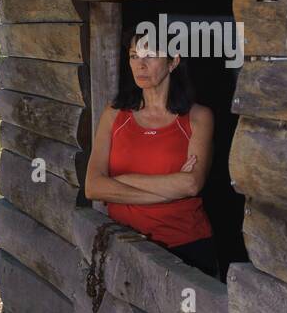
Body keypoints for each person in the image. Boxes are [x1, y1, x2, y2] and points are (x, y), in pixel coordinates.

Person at [84, 25, 216, 278]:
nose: (139, 65)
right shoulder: (114, 115)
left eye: (150, 55)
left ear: (173, 61)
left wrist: (120, 183)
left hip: (187, 247)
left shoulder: (198, 117)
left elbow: (191, 185)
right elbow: (93, 187)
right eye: (134, 56)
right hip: (125, 244)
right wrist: (168, 192)